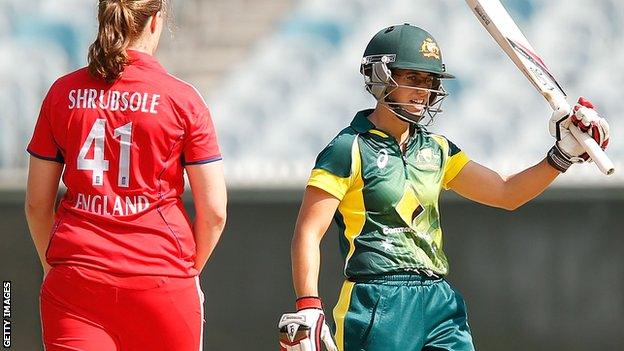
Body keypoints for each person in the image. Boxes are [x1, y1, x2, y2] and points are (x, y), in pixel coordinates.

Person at [278, 24, 609, 351]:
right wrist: (309, 303)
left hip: (438, 301)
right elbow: (308, 232)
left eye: (429, 81)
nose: (423, 90)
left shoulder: (437, 150)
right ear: (380, 77)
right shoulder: (347, 148)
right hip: (377, 302)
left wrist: (561, 156)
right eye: (412, 78)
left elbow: (507, 194)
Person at [24, 1, 227, 350]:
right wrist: (182, 270)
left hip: (76, 281)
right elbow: (215, 212)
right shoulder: (182, 99)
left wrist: (55, 264)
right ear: (155, 22)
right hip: (161, 281)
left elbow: (36, 203)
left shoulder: (61, 92)